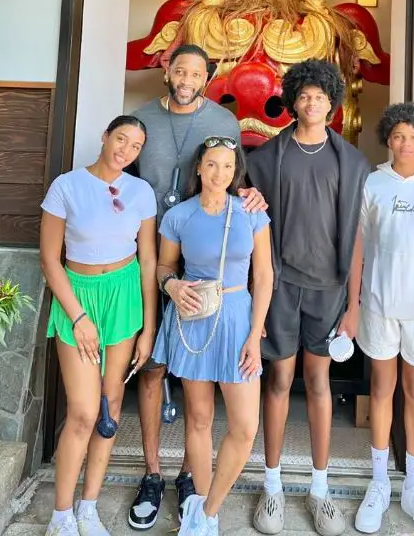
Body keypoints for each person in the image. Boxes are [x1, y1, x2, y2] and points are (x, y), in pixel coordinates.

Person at [127, 44, 266, 530]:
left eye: (196, 73)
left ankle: (194, 484)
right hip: (158, 256)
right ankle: (150, 472)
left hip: (215, 269)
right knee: (151, 369)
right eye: (179, 69)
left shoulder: (223, 125)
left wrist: (249, 197)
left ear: (208, 77)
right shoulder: (140, 119)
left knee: (203, 399)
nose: (186, 78)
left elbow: (233, 173)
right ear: (167, 71)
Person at [248, 59, 369, 536]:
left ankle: (320, 488)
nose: (312, 102)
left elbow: (357, 239)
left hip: (329, 288)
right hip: (280, 286)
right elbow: (247, 212)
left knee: (319, 384)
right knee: (278, 380)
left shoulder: (351, 162)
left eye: (320, 96)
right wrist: (247, 195)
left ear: (332, 103)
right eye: (304, 95)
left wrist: (354, 304)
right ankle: (272, 485)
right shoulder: (265, 159)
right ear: (292, 101)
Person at [40, 116, 158, 536]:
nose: (125, 149)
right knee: (83, 412)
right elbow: (51, 259)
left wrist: (148, 325)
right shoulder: (66, 186)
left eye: (135, 145)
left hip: (124, 296)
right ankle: (60, 515)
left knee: (109, 406)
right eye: (120, 138)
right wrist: (78, 316)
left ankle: (89, 507)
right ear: (105, 137)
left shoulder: (142, 192)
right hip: (80, 296)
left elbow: (147, 260)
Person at [150, 135, 274, 536]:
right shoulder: (179, 216)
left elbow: (265, 275)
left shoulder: (251, 213)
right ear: (199, 169)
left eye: (227, 165)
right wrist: (171, 287)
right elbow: (164, 266)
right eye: (211, 165)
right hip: (193, 319)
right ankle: (199, 508)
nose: (219, 173)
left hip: (238, 318)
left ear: (235, 171)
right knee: (199, 419)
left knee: (244, 426)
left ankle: (212, 509)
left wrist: (256, 335)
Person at [354, 103, 414, 536]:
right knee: (381, 388)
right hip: (377, 303)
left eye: (413, 136)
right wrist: (355, 300)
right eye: (397, 135)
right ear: (388, 139)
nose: (405, 143)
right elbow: (362, 243)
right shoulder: (372, 183)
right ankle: (378, 482)